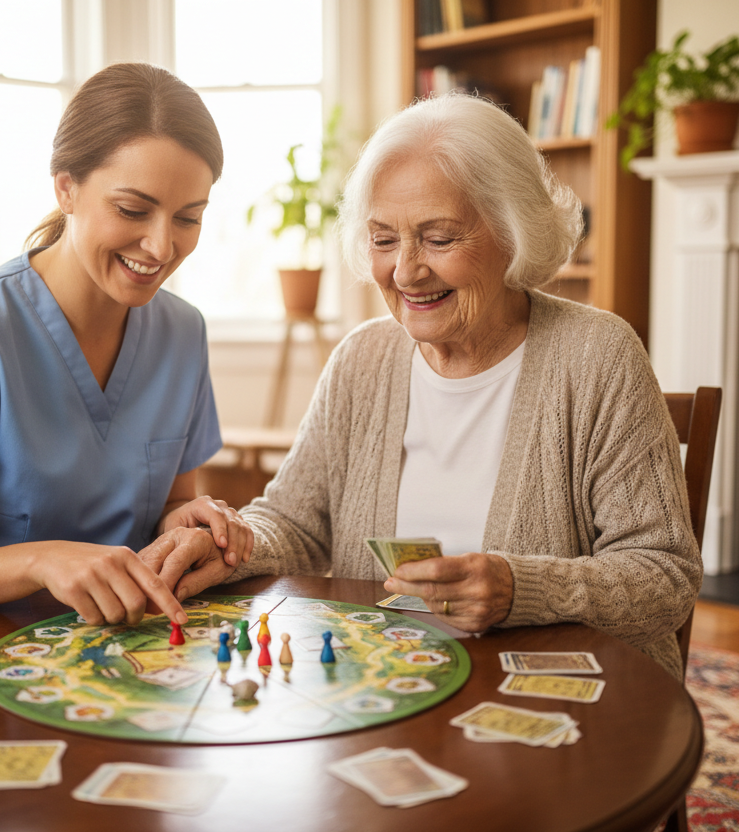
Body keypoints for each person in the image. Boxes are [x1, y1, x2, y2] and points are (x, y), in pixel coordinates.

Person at [170, 93, 702, 682]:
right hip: (384, 683)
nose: (404, 272)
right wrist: (230, 545)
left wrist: (518, 589)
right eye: (383, 239)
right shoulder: (362, 359)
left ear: (514, 232)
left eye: (439, 238)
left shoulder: (598, 356)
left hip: (555, 690)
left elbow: (663, 577)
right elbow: (294, 523)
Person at [0, 63, 253, 627]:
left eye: (188, 218)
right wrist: (41, 561)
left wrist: (186, 521)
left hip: (104, 649)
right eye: (132, 210)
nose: (162, 246)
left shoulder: (183, 332)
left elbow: (166, 508)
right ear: (66, 188)